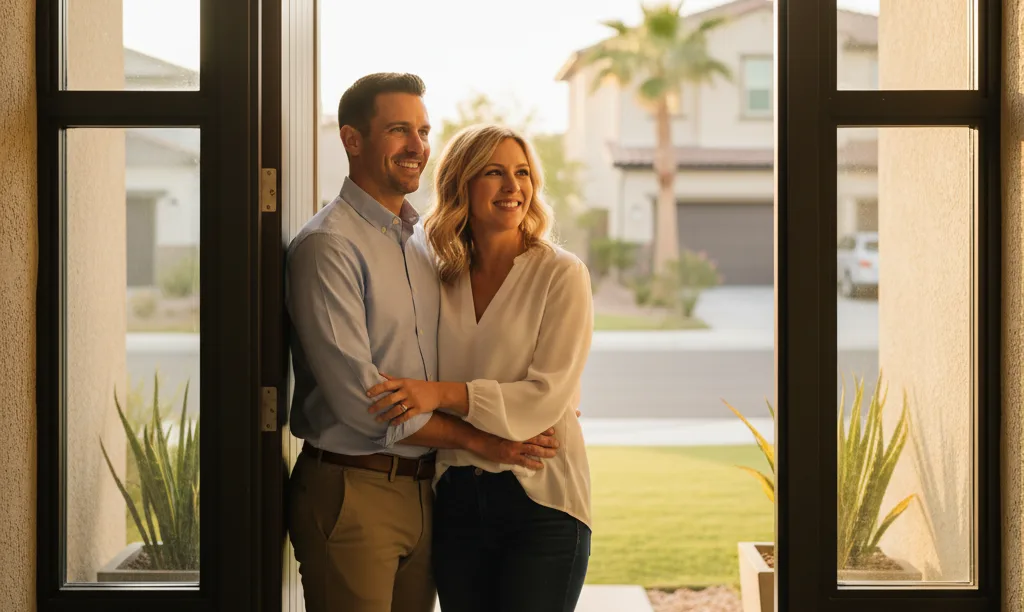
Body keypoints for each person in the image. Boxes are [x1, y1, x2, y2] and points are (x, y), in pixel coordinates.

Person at [285, 75, 561, 612]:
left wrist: (545, 395)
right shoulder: (328, 246)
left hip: (425, 489)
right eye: (398, 130)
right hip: (354, 490)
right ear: (352, 140)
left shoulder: (422, 245)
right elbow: (365, 403)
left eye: (423, 130)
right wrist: (483, 441)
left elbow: (460, 352)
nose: (417, 146)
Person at [365, 123, 594, 612]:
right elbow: (403, 374)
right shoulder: (437, 275)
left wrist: (441, 394)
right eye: (494, 173)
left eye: (523, 172)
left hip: (543, 498)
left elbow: (545, 399)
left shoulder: (561, 273)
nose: (514, 187)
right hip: (454, 498)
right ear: (460, 185)